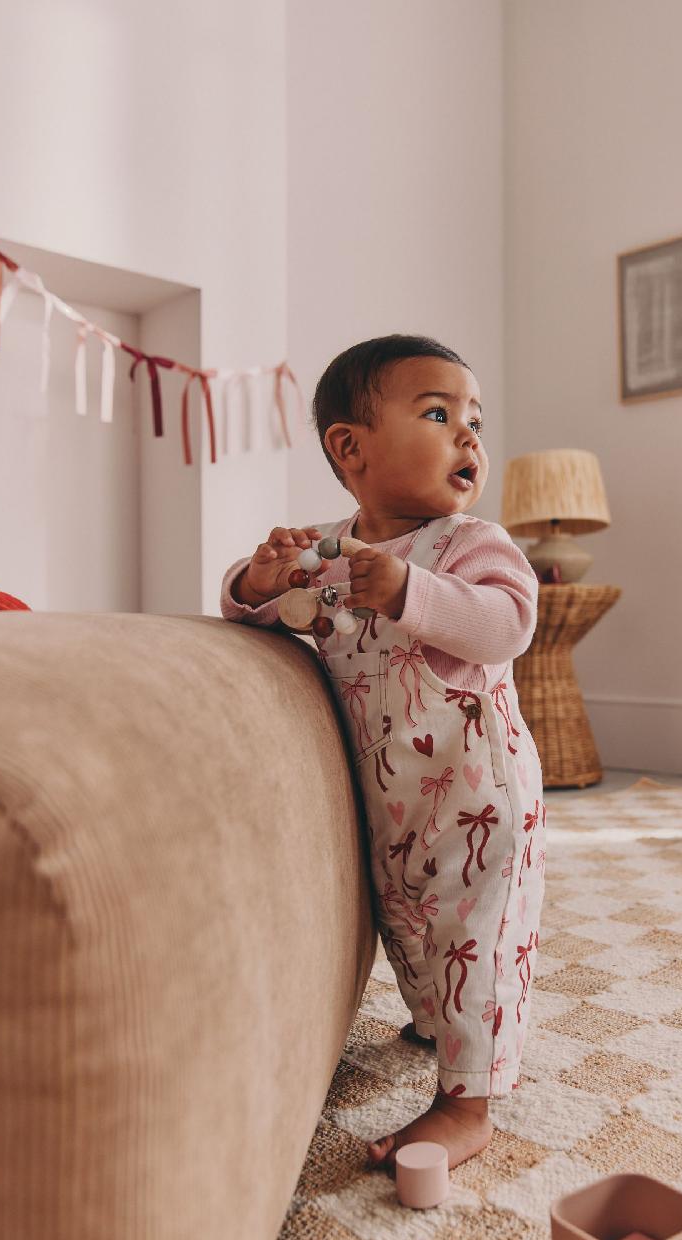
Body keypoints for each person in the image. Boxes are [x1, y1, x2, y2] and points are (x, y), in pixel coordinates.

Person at [220, 334, 545, 1170]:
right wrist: (260, 581)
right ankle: (435, 1018)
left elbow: (507, 623)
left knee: (475, 933)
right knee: (410, 924)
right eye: (439, 414)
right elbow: (256, 614)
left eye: (475, 419)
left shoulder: (471, 545)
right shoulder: (328, 550)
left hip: (479, 795)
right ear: (350, 448)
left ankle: (467, 1100)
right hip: (392, 797)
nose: (469, 436)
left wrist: (409, 590)